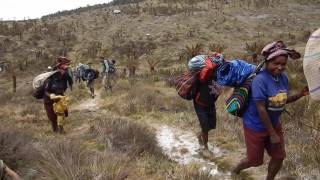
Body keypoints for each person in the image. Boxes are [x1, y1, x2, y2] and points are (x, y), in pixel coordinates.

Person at [232, 41, 309, 180]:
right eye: (276, 63)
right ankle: (235, 170)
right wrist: (272, 133)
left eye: (283, 64)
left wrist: (300, 94)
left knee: (279, 157)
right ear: (267, 62)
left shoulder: (283, 78)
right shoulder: (260, 80)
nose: (280, 67)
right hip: (255, 126)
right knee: (255, 161)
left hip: (273, 124)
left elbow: (281, 100)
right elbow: (260, 108)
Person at [193, 53, 224, 150]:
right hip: (199, 103)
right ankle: (206, 147)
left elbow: (218, 90)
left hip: (210, 103)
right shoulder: (203, 74)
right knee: (205, 127)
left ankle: (200, 134)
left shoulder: (218, 76)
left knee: (212, 124)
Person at [43, 56, 73, 133]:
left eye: (66, 69)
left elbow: (66, 86)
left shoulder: (65, 76)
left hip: (59, 98)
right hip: (49, 99)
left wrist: (62, 95)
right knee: (53, 117)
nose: (65, 71)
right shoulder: (50, 77)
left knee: (61, 114)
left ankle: (61, 130)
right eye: (63, 69)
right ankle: (55, 131)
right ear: (59, 69)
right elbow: (45, 90)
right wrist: (51, 95)